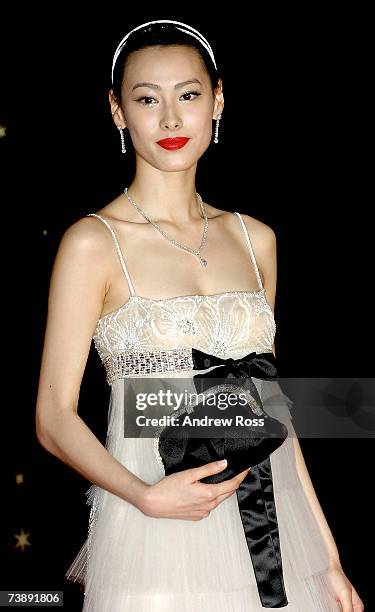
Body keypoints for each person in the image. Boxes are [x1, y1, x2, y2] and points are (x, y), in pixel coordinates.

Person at [35, 19, 364, 611]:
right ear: (117, 111)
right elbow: (52, 417)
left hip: (275, 531)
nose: (169, 120)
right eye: (146, 99)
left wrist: (330, 558)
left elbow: (270, 412)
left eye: (187, 95)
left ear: (217, 101)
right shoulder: (93, 242)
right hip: (157, 531)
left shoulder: (254, 238)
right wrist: (143, 496)